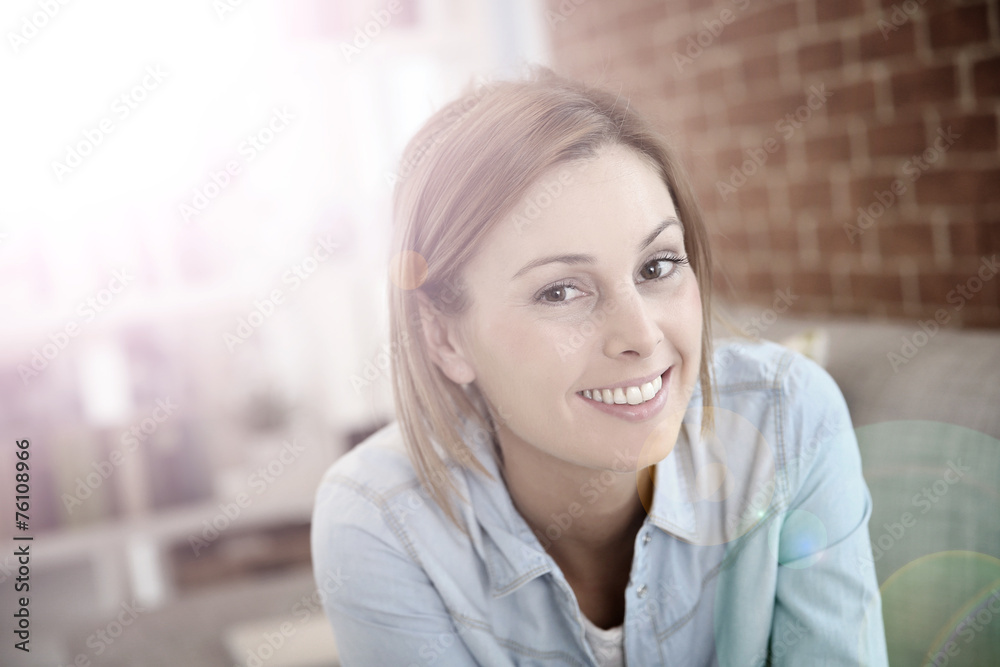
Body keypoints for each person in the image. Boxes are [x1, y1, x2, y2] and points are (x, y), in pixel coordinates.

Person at [311, 66, 889, 666]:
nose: (641, 335)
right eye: (560, 291)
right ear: (443, 338)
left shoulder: (787, 415)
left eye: (658, 266)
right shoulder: (380, 517)